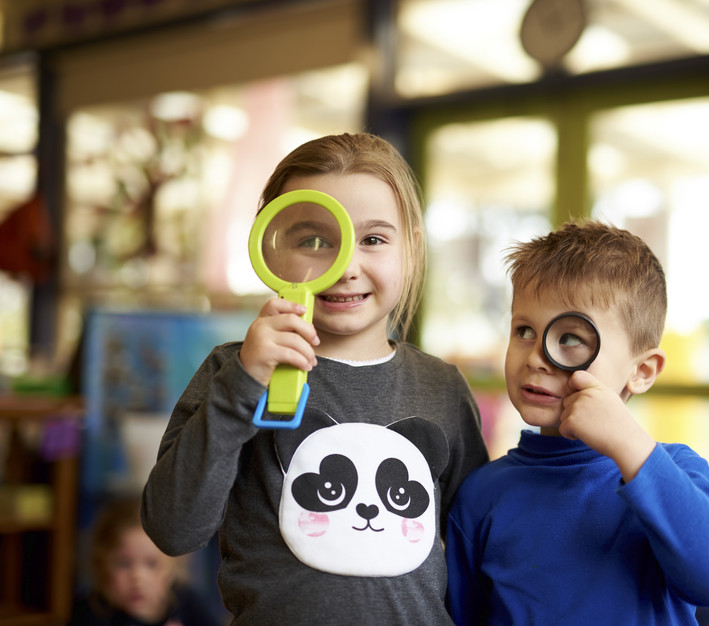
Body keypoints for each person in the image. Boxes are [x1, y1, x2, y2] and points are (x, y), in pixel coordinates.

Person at [141, 132, 489, 624]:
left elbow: (474, 548)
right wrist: (242, 385)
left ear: (410, 248)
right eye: (314, 240)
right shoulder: (231, 371)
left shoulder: (443, 388)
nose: (345, 267)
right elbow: (172, 529)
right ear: (274, 250)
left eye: (372, 239)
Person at [445, 221, 709, 625]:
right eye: (523, 330)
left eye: (570, 338)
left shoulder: (677, 472)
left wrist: (630, 444)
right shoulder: (482, 494)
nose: (536, 356)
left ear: (641, 371)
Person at [69, 498, 218, 626]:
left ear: (172, 569)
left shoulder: (186, 603)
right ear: (102, 565)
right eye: (124, 563)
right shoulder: (91, 613)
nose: (137, 577)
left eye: (152, 564)